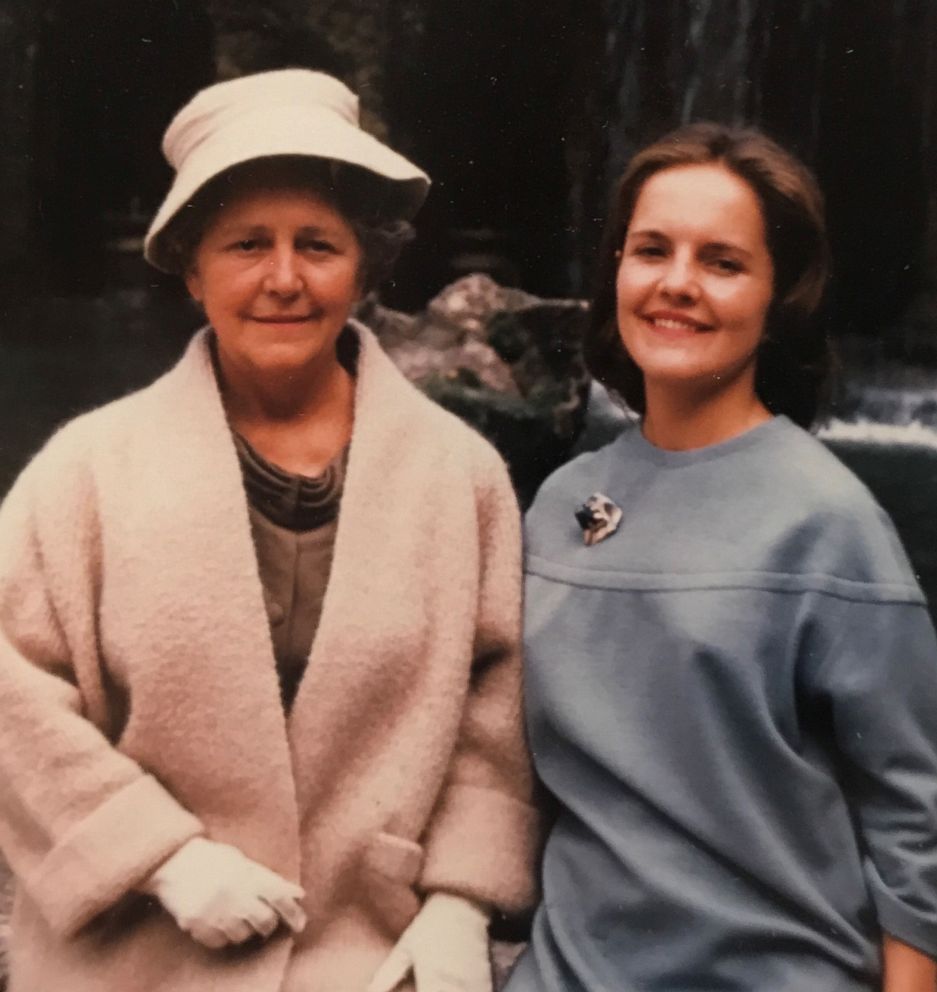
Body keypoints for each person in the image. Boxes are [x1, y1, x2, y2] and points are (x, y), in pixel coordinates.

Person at [0, 69, 538, 992]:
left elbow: (496, 717)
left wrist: (462, 900)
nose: (283, 278)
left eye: (317, 245)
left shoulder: (462, 478)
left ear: (363, 267)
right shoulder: (85, 471)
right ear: (191, 267)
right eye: (247, 244)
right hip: (132, 961)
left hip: (368, 961)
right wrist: (159, 858)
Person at [504, 122, 937, 991]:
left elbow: (911, 819)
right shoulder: (560, 503)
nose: (676, 285)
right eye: (651, 250)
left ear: (780, 296)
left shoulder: (828, 520)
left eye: (722, 262)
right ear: (615, 270)